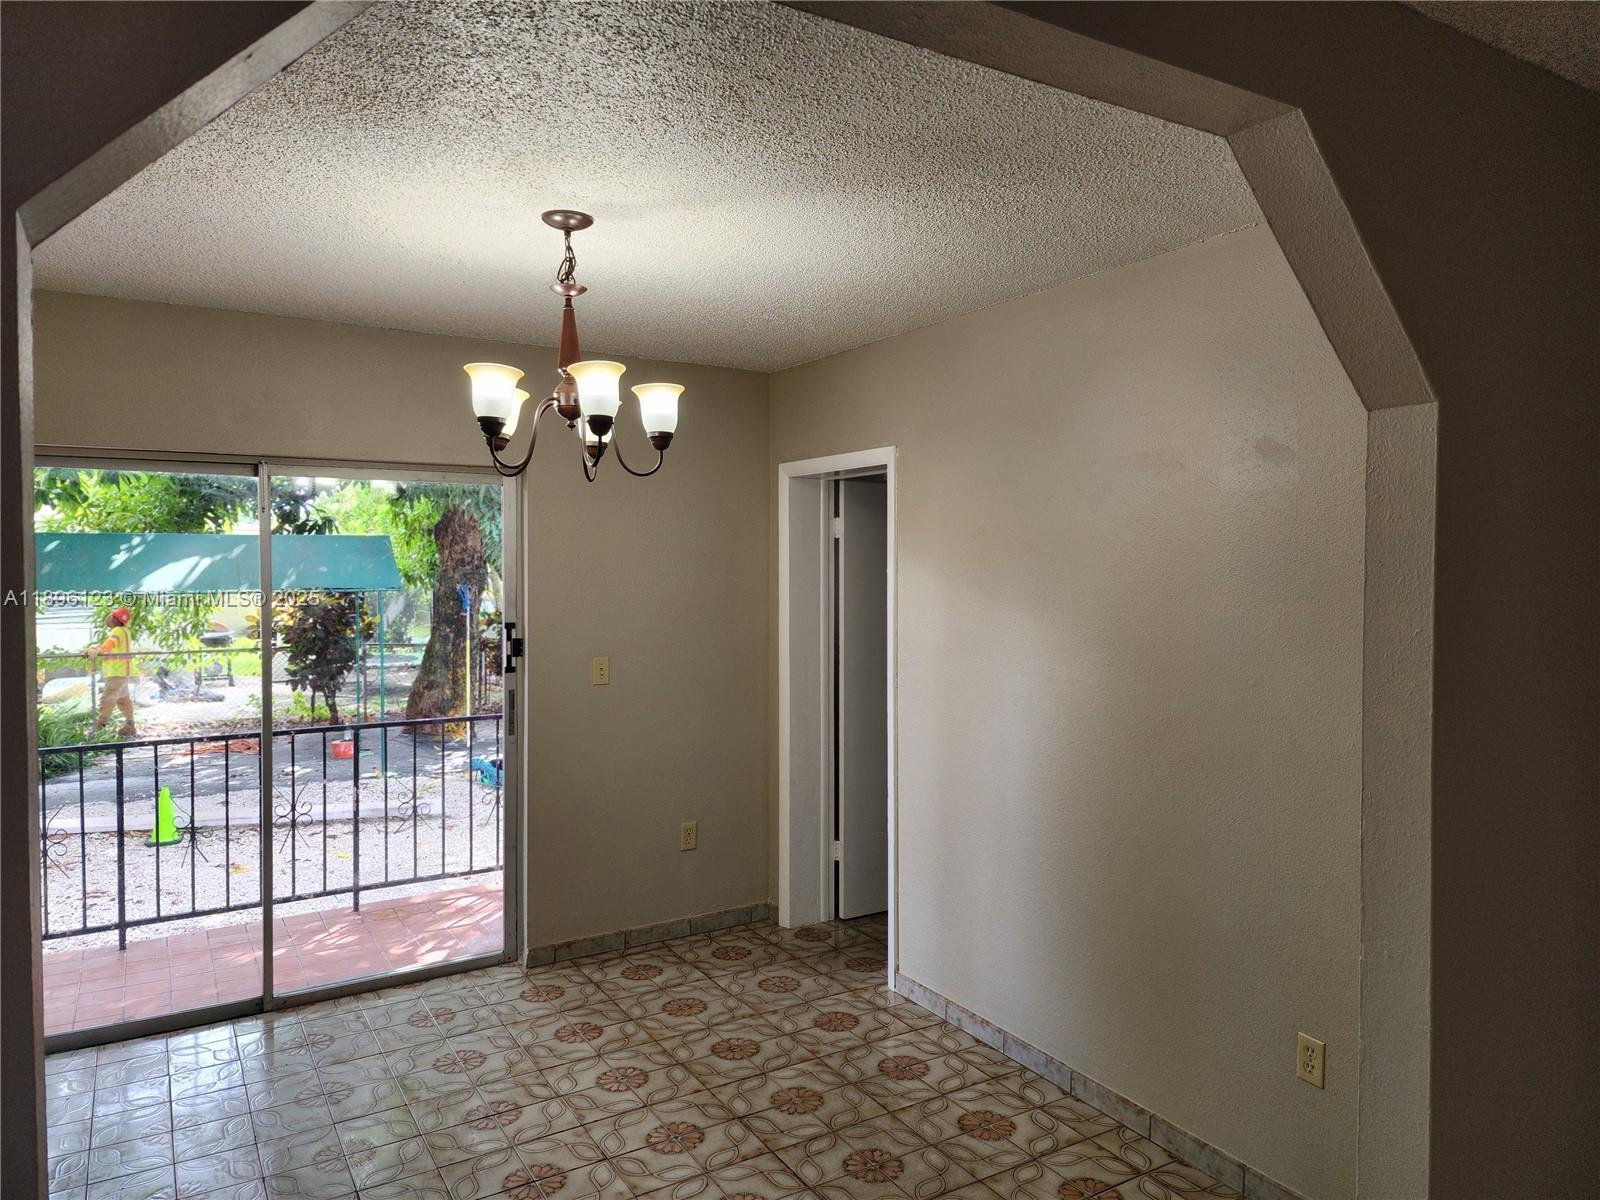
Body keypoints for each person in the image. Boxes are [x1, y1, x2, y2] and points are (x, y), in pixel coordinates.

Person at [88, 606, 136, 737]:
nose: (108, 618)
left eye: (111, 616)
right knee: (123, 699)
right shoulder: (125, 631)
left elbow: (111, 642)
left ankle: (98, 727)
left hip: (116, 672)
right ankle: (130, 725)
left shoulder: (117, 631)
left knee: (107, 698)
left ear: (115, 620)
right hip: (122, 671)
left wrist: (98, 650)